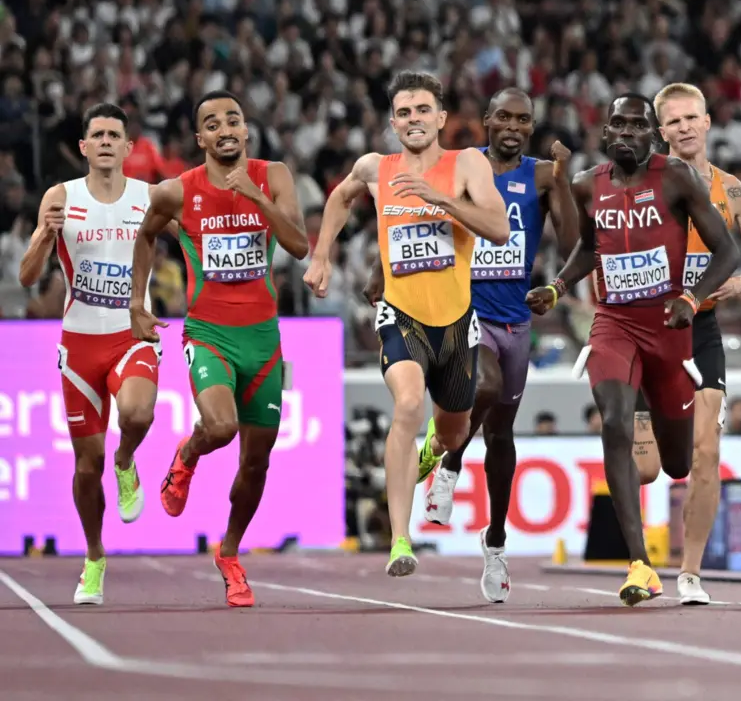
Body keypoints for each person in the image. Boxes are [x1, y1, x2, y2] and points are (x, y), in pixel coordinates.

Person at [364, 87, 579, 602]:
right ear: (486, 120)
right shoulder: (458, 165)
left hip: (516, 320)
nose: (512, 127)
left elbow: (572, 242)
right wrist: (380, 270)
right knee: (485, 384)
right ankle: (449, 461)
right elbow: (408, 220)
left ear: (531, 127)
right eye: (503, 117)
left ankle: (495, 541)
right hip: (463, 308)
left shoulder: (541, 175)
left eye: (522, 120)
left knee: (502, 437)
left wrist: (563, 179)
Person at [525, 93, 739, 606]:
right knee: (616, 423)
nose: (625, 133)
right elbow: (589, 247)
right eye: (617, 124)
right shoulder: (586, 184)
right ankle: (640, 564)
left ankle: (660, 520)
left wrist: (692, 298)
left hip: (669, 330)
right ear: (604, 133)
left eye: (637, 126)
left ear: (653, 135)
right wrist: (557, 287)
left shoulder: (676, 178)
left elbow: (728, 251)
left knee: (678, 463)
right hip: (614, 324)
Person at [304, 71, 510, 580]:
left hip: (457, 323)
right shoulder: (376, 168)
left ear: (441, 118)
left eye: (422, 110)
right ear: (392, 123)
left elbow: (499, 229)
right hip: (401, 315)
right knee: (409, 403)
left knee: (453, 433)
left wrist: (442, 200)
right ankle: (401, 538)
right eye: (403, 112)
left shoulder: (467, 164)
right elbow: (340, 198)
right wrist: (321, 255)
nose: (413, 119)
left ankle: (431, 452)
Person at [129, 91, 310, 607]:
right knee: (222, 427)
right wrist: (137, 304)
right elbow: (145, 235)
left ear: (246, 130)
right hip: (210, 334)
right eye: (213, 123)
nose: (225, 128)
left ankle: (229, 554)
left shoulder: (273, 176)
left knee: (256, 464)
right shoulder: (177, 191)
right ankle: (187, 453)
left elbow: (299, 245)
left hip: (264, 341)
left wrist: (256, 197)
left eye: (233, 119)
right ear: (200, 138)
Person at [628, 82, 741, 605]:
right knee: (646, 467)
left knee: (707, 450)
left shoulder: (732, 191)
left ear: (708, 121)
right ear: (660, 131)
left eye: (692, 117)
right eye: (674, 121)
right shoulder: (643, 184)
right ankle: (637, 560)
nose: (685, 127)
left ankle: (690, 573)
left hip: (702, 330)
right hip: (648, 330)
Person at [18, 103, 164, 605]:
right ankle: (95, 557)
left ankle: (127, 460)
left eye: (113, 135)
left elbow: (193, 242)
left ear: (128, 147)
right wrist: (44, 233)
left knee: (138, 413)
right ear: (83, 147)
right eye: (97, 135)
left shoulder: (149, 197)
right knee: (86, 466)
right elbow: (28, 277)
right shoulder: (61, 197)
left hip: (131, 333)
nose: (105, 142)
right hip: (79, 343)